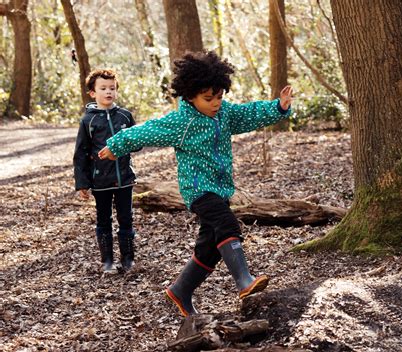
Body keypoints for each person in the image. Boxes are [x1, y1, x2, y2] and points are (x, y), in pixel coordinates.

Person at [98, 51, 293, 315]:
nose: (215, 103)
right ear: (190, 95)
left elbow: (250, 113)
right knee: (227, 224)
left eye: (219, 96)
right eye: (208, 98)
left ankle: (180, 291)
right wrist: (115, 146)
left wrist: (278, 107)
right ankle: (244, 281)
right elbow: (145, 130)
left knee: (210, 249)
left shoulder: (224, 113)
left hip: (221, 188)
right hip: (199, 189)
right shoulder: (182, 121)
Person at [73, 69, 138, 274]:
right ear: (93, 93)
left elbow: (137, 142)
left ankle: (128, 260)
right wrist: (82, 183)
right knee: (104, 220)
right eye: (103, 88)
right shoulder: (88, 121)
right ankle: (107, 261)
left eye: (112, 88)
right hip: (100, 181)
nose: (108, 92)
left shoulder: (125, 116)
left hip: (124, 179)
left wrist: (129, 143)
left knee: (126, 219)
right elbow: (81, 153)